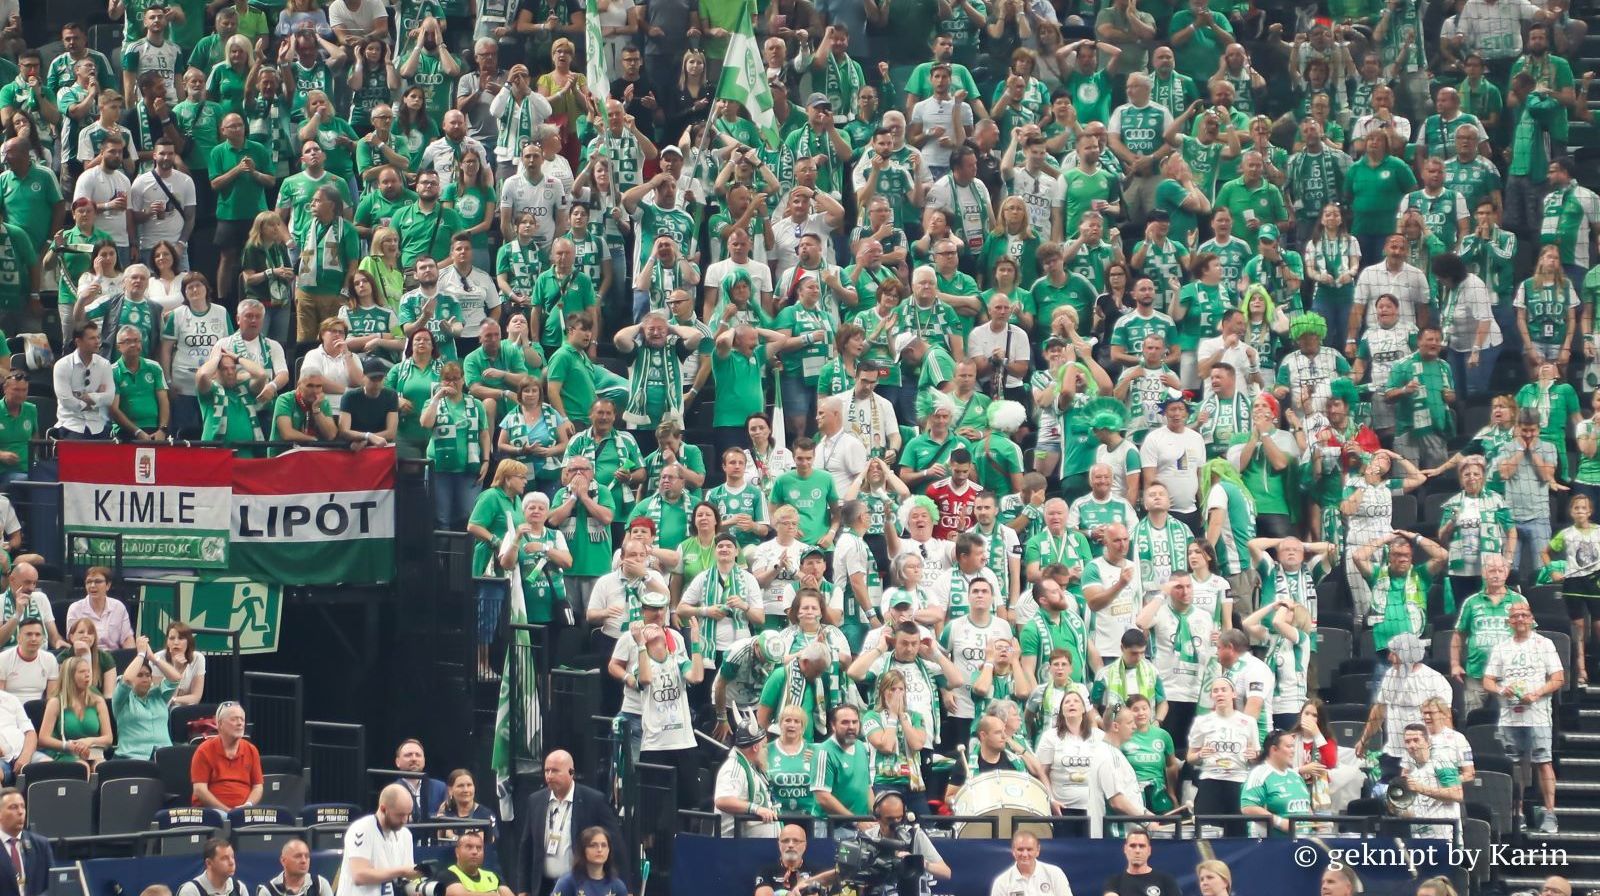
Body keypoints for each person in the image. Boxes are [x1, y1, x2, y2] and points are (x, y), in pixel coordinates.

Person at [1484, 602, 1565, 833]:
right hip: (1510, 717)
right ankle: (1517, 813)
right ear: (1509, 621)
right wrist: (1502, 690)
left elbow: (1558, 678)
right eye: (1515, 616)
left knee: (1543, 762)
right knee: (1515, 766)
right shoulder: (1501, 648)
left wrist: (1537, 693)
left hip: (1538, 715)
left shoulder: (1544, 644)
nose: (1519, 619)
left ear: (1531, 618)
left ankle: (1550, 814)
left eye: (1524, 615)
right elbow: (1488, 680)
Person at [518, 750, 624, 896]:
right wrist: (523, 889)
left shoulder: (593, 800)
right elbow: (527, 846)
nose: (549, 776)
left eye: (555, 771)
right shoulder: (535, 800)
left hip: (578, 885)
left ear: (571, 772)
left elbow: (615, 843)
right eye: (546, 771)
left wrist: (628, 887)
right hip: (542, 884)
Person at [334, 785, 421, 896]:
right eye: (400, 815)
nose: (404, 820)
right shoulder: (362, 828)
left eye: (408, 814)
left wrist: (417, 889)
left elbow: (405, 880)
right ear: (383, 809)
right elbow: (359, 875)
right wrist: (402, 871)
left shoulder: (405, 835)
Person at [36, 656, 111, 767]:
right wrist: (68, 746)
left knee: (101, 766)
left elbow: (108, 738)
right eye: (82, 672)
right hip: (65, 752)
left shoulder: (98, 701)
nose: (87, 675)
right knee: (81, 767)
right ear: (70, 677)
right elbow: (43, 739)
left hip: (92, 751)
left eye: (88, 671)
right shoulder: (56, 703)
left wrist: (89, 741)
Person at [189, 702, 263, 809]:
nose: (240, 723)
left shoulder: (251, 750)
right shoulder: (204, 750)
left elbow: (258, 787)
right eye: (234, 719)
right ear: (220, 724)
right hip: (211, 812)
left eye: (242, 719)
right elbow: (199, 790)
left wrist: (247, 806)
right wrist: (227, 812)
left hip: (243, 812)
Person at [112, 636, 174, 759]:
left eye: (148, 675)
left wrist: (153, 658)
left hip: (165, 757)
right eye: (139, 675)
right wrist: (140, 654)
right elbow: (128, 679)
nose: (145, 678)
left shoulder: (158, 695)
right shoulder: (122, 699)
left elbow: (176, 678)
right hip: (131, 758)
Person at [51, 323, 114, 438]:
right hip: (71, 424)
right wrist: (96, 401)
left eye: (98, 337)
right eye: (92, 338)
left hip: (98, 424)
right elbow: (66, 400)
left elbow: (109, 397)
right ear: (78, 342)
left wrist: (91, 397)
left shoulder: (104, 364)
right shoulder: (62, 365)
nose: (97, 342)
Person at [753, 825, 833, 896]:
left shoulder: (818, 871)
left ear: (805, 845)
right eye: (785, 841)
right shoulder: (766, 871)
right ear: (779, 845)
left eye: (796, 841)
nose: (790, 845)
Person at [1101, 828, 1180, 896]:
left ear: (1149, 850)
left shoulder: (1166, 880)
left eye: (1142, 846)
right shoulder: (1114, 882)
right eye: (1132, 846)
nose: (1137, 850)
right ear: (1125, 849)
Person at [549, 827, 627, 896]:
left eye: (603, 845)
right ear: (583, 850)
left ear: (609, 850)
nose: (599, 850)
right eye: (593, 845)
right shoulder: (567, 882)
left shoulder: (617, 886)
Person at [989, 831, 1071, 896]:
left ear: (1037, 850)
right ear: (1013, 851)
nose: (1025, 854)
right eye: (1020, 849)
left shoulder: (1055, 873)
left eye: (1029, 849)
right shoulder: (1001, 882)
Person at [392, 739, 448, 824]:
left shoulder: (440, 787)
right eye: (408, 755)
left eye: (418, 755)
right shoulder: (392, 790)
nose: (414, 759)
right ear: (397, 762)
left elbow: (447, 818)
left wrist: (412, 818)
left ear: (424, 760)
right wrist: (434, 816)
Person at [0, 620, 57, 703]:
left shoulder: (50, 659)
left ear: (43, 638)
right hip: (10, 708)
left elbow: (51, 697)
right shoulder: (3, 658)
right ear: (19, 638)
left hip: (38, 709)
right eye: (29, 634)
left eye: (37, 635)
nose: (33, 639)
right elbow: (1, 696)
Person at [258, 840, 334, 896]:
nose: (304, 861)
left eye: (307, 856)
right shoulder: (268, 891)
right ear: (283, 861)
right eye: (298, 856)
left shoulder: (320, 884)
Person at [177, 841, 246, 896]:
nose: (231, 862)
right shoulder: (190, 891)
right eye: (224, 858)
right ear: (209, 863)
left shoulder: (239, 888)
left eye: (232, 857)